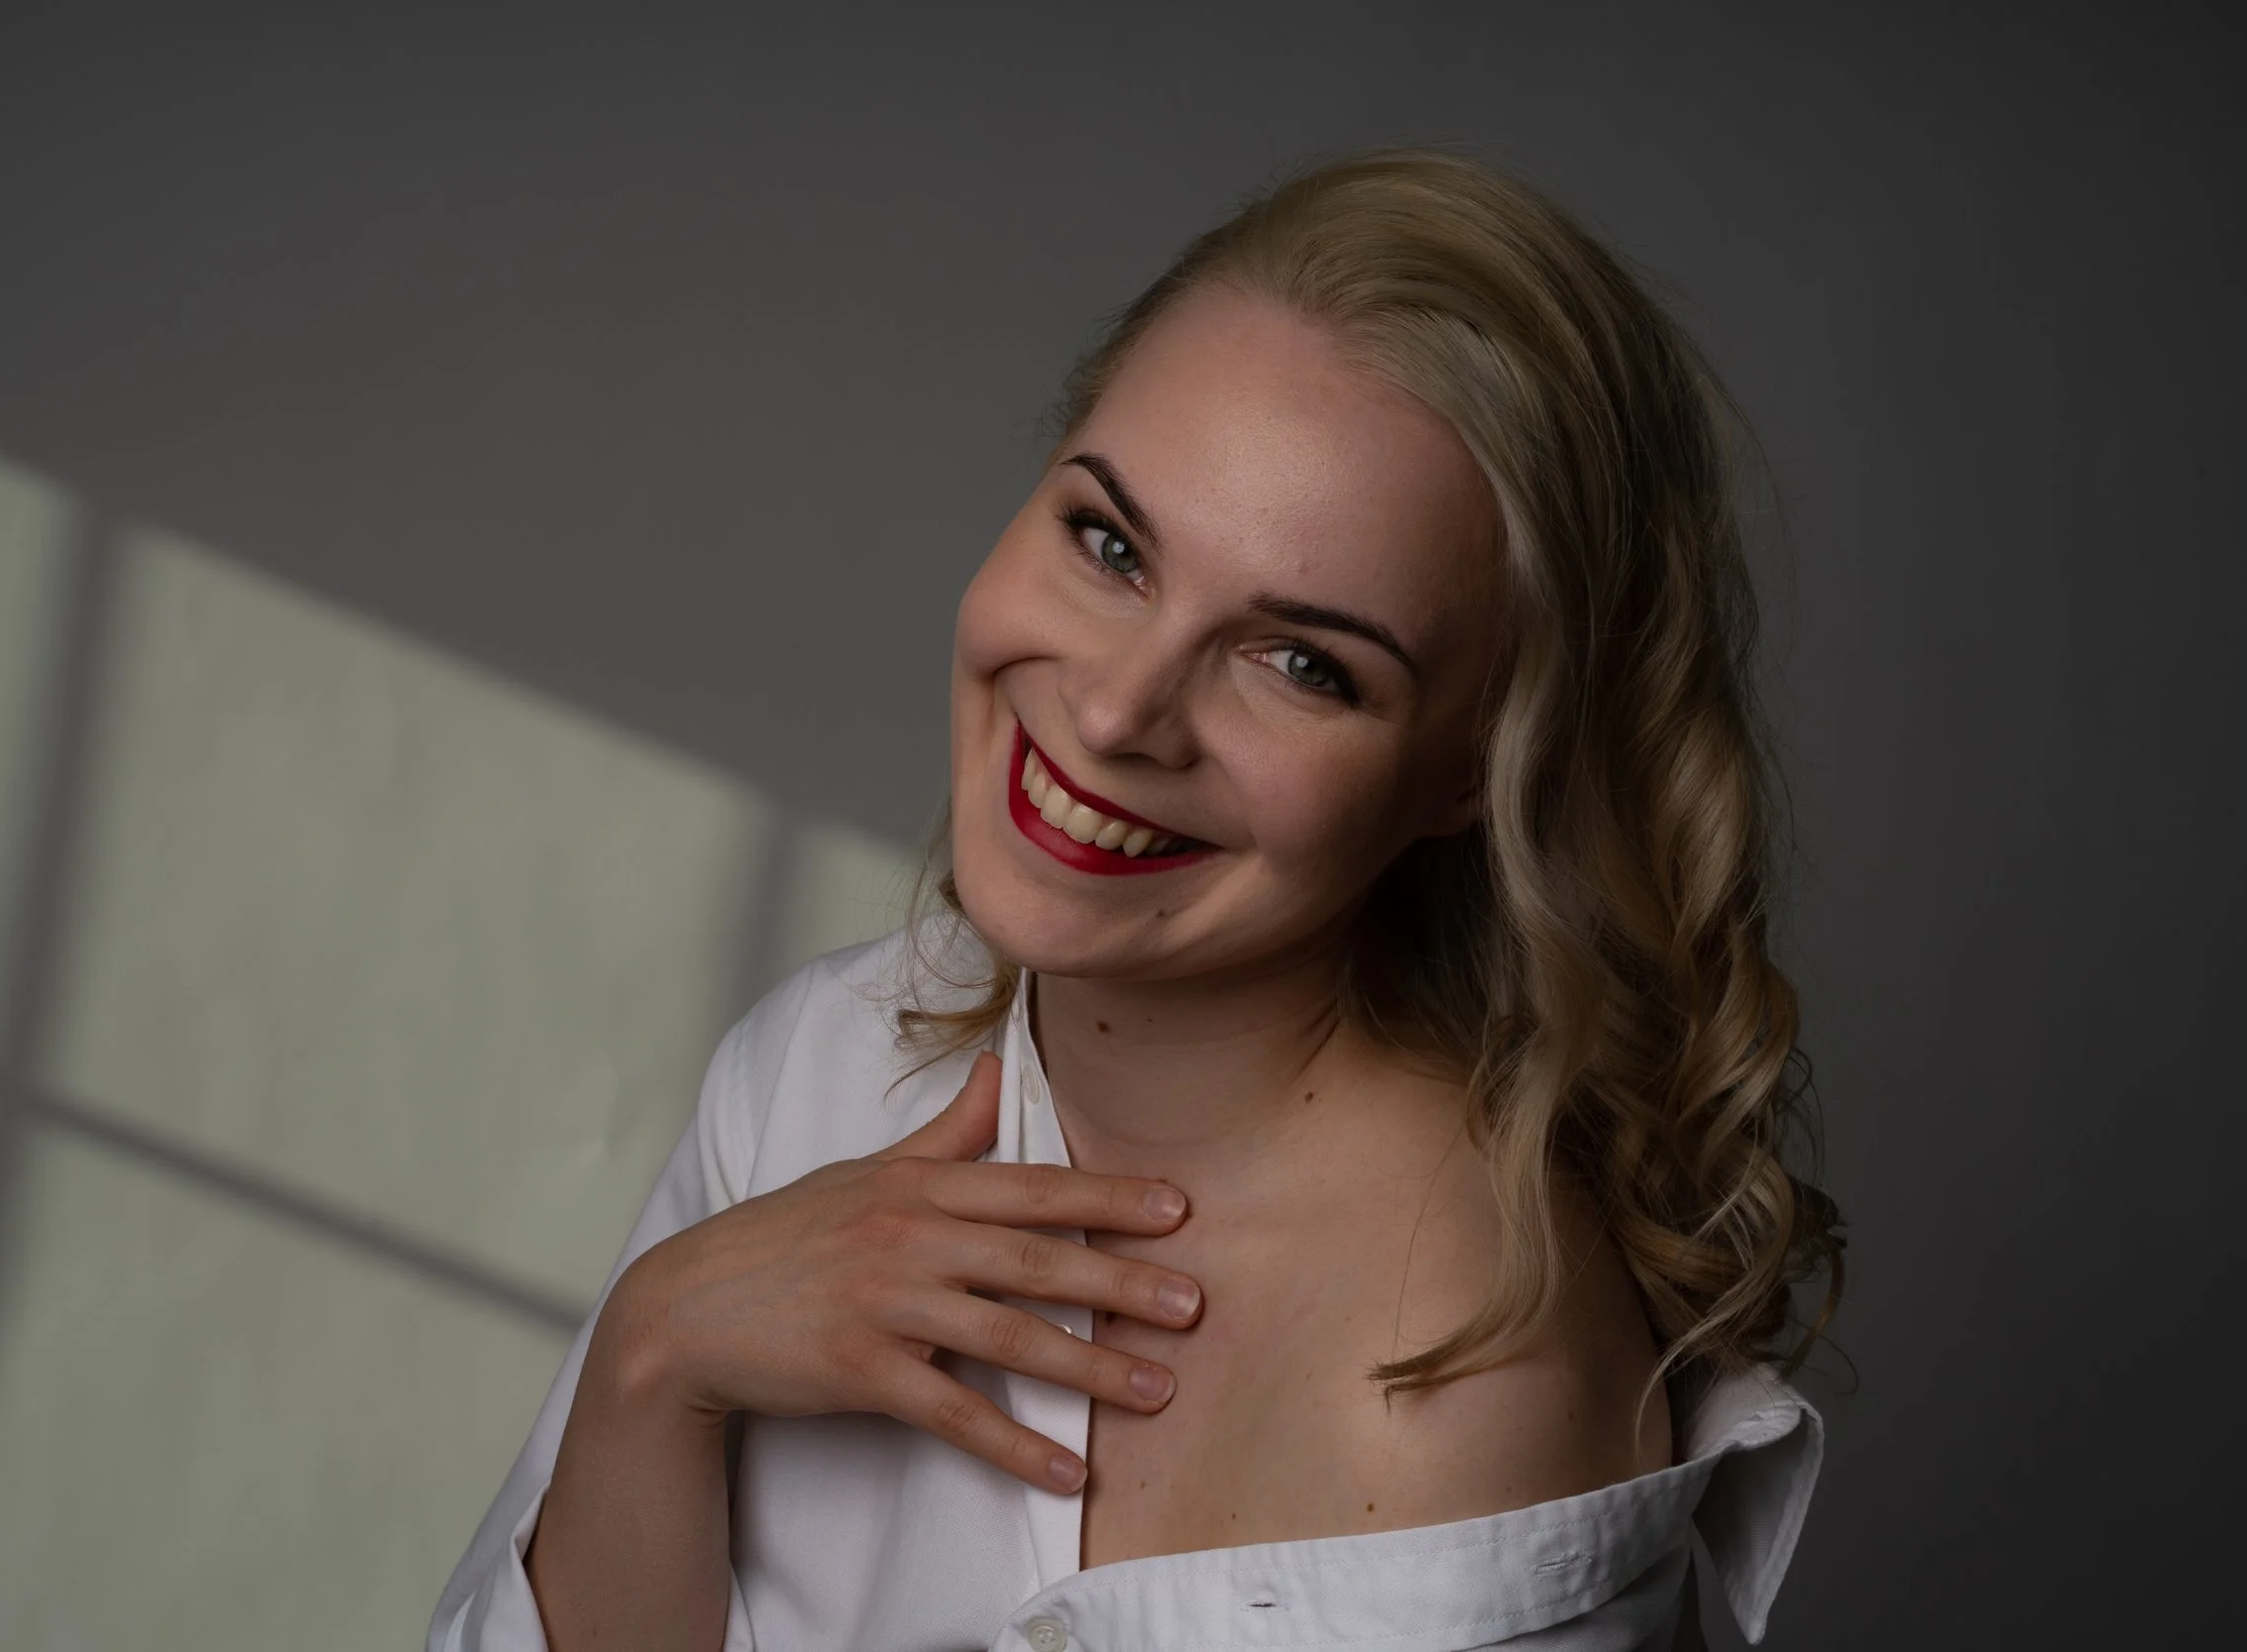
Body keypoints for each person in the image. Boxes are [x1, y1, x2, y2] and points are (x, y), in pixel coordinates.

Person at [429, 148, 1845, 1652]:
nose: (1115, 714)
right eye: (1111, 544)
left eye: (1304, 662)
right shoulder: (822, 1062)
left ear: (1471, 777)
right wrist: (658, 1353)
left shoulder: (1463, 1389)